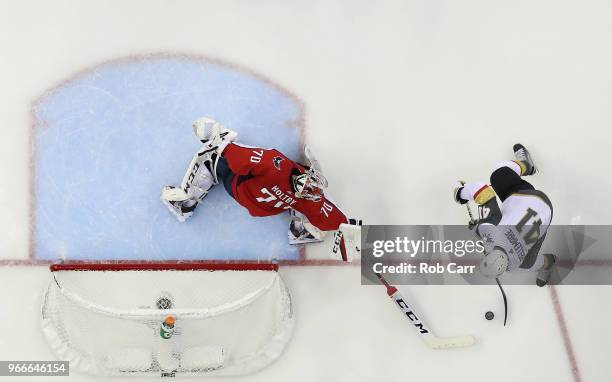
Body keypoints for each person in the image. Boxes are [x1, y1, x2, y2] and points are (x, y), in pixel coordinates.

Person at [161, 117, 356, 252]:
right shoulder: (313, 202)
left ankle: (184, 204)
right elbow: (339, 221)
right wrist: (356, 233)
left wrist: (218, 139)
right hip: (265, 207)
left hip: (240, 188)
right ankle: (300, 231)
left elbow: (238, 157)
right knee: (302, 205)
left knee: (210, 155)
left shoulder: (275, 164)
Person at [453, 144, 555, 286]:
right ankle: (526, 166)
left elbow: (497, 237)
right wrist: (460, 193)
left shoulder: (512, 265)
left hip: (546, 214)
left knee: (526, 264)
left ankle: (548, 262)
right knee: (498, 171)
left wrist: (480, 229)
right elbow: (484, 192)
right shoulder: (491, 230)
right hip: (530, 197)